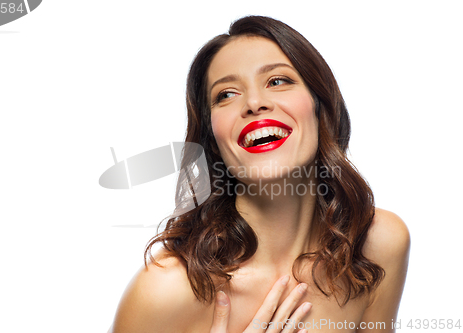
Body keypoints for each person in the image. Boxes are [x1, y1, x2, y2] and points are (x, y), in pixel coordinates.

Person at [108, 15, 410, 333]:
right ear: (212, 138)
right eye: (226, 94)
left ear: (320, 106)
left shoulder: (379, 245)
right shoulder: (166, 291)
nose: (254, 103)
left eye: (278, 81)